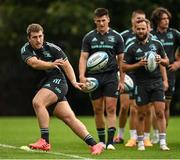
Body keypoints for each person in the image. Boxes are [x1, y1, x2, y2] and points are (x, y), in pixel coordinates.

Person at [20, 23, 104, 155]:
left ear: (43, 35)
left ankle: (44, 141)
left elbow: (67, 65)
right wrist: (51, 64)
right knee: (69, 118)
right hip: (45, 85)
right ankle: (95, 144)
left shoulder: (53, 48)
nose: (38, 40)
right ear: (29, 39)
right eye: (35, 37)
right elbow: (34, 63)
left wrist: (74, 82)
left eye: (40, 36)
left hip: (57, 82)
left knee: (38, 102)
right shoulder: (26, 50)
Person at [79, 8, 124, 150]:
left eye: (103, 20)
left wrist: (121, 80)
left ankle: (110, 142)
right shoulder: (88, 37)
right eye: (98, 21)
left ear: (108, 19)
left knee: (111, 108)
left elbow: (121, 60)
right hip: (94, 78)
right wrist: (81, 75)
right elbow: (83, 57)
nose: (101, 23)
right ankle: (102, 141)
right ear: (94, 21)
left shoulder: (117, 37)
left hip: (111, 76)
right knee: (98, 109)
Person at [122, 18, 170, 151]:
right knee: (141, 114)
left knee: (160, 112)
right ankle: (141, 142)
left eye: (143, 28)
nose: (141, 31)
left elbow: (167, 61)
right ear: (135, 30)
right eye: (139, 29)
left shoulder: (157, 43)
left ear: (148, 29)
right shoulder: (131, 46)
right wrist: (138, 64)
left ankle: (162, 142)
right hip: (140, 84)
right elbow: (123, 67)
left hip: (157, 82)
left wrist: (161, 60)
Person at [114, 10, 153, 147]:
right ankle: (121, 135)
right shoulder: (124, 36)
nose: (140, 21)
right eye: (137, 19)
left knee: (143, 108)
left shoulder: (150, 38)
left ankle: (143, 138)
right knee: (125, 107)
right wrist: (120, 75)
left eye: (142, 19)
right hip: (128, 75)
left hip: (144, 78)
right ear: (132, 20)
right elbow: (119, 56)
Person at [150, 7, 180, 143]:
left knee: (165, 105)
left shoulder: (174, 34)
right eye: (163, 19)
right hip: (153, 74)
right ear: (157, 20)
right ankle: (155, 133)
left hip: (170, 73)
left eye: (167, 18)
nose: (166, 21)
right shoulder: (151, 35)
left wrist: (178, 63)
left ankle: (163, 133)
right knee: (154, 105)